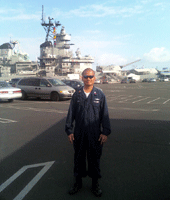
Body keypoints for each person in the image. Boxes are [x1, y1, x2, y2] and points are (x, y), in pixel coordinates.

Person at [65, 68, 111, 197]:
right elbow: (71, 114)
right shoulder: (77, 94)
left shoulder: (100, 94)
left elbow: (105, 114)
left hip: (95, 134)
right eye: (86, 76)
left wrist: (105, 132)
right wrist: (69, 131)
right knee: (78, 158)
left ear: (94, 78)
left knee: (94, 159)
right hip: (79, 133)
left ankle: (95, 184)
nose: (88, 79)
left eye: (91, 76)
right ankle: (77, 183)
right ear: (82, 78)